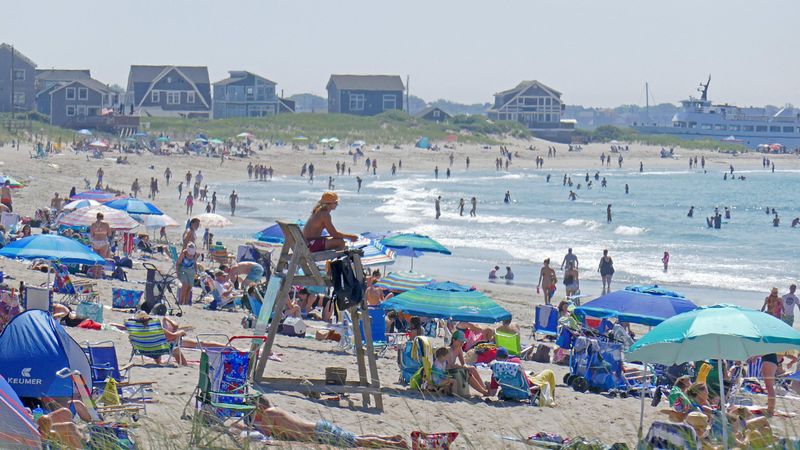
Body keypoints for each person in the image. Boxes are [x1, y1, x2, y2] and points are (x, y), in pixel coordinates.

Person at [238, 395, 407, 448]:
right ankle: (392, 438)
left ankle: (395, 444)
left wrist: (240, 428)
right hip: (319, 430)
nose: (255, 416)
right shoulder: (273, 412)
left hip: (319, 432)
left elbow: (264, 434)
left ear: (260, 407)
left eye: (254, 412)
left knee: (356, 442)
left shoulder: (270, 413)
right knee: (356, 437)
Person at [488, 347, 557, 406]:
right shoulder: (516, 362)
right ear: (507, 356)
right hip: (527, 392)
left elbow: (493, 393)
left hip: (509, 394)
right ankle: (552, 398)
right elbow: (522, 376)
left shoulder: (495, 371)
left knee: (531, 375)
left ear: (496, 358)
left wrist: (488, 388)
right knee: (549, 372)